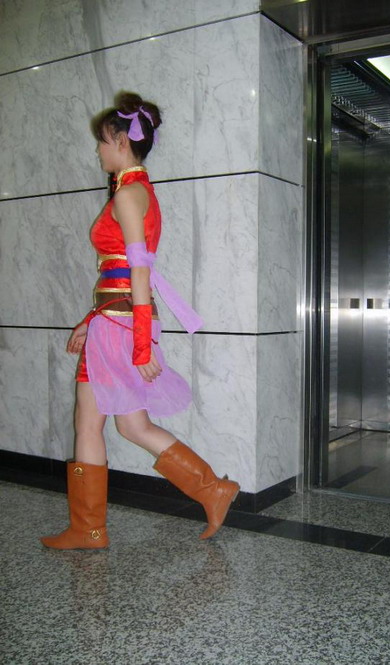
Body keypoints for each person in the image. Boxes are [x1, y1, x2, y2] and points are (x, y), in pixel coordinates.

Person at [41, 92, 239, 550]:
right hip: (113, 324)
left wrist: (142, 344)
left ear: (119, 141)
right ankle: (96, 526)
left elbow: (140, 272)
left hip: (122, 328)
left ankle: (97, 526)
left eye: (101, 141)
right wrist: (91, 320)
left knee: (108, 425)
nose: (97, 150)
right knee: (113, 424)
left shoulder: (130, 195)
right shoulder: (134, 191)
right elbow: (119, 274)